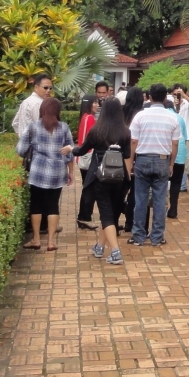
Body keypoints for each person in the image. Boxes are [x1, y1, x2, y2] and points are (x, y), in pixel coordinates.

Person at [71, 96, 131, 266]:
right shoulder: (125, 132)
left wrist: (70, 149)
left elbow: (81, 150)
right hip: (119, 178)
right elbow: (127, 154)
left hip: (101, 177)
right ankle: (99, 247)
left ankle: (115, 252)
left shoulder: (96, 130)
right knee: (111, 213)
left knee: (106, 214)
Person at [15, 96, 74, 252]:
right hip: (57, 172)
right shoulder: (64, 127)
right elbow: (70, 152)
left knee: (36, 205)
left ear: (42, 110)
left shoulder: (32, 127)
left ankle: (36, 239)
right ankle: (51, 242)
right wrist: (71, 172)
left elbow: (20, 150)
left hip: (38, 172)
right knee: (53, 205)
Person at [128, 83, 181, 247]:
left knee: (140, 200)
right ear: (165, 98)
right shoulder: (173, 118)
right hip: (162, 160)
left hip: (142, 159)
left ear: (149, 97)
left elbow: (133, 141)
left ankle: (138, 236)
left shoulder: (140, 116)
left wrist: (130, 162)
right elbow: (175, 144)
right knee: (159, 201)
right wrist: (171, 163)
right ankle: (157, 237)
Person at [120, 86, 146, 234]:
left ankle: (115, 221)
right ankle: (130, 222)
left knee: (120, 191)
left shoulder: (121, 113)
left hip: (121, 155)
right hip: (137, 155)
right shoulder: (142, 114)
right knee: (136, 192)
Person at [73, 95, 99, 230]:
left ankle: (83, 217)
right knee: (89, 189)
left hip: (84, 156)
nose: (97, 105)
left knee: (87, 188)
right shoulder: (89, 118)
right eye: (94, 102)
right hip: (88, 157)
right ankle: (85, 217)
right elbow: (88, 139)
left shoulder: (85, 117)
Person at [167, 98, 189, 219]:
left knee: (161, 183)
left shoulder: (163, 117)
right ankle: (173, 209)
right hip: (180, 154)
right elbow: (184, 137)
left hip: (165, 153)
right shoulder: (179, 118)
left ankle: (161, 207)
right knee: (176, 183)